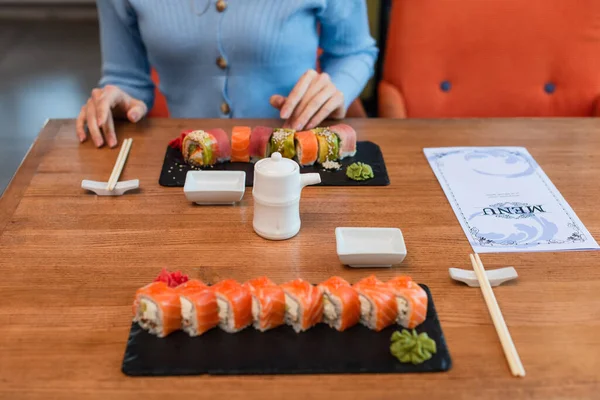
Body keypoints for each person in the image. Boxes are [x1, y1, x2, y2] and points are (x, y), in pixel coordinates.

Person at [77, 0, 378, 148]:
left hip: (297, 158)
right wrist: (118, 98)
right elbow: (127, 78)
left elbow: (354, 51)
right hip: (189, 165)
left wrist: (337, 87)